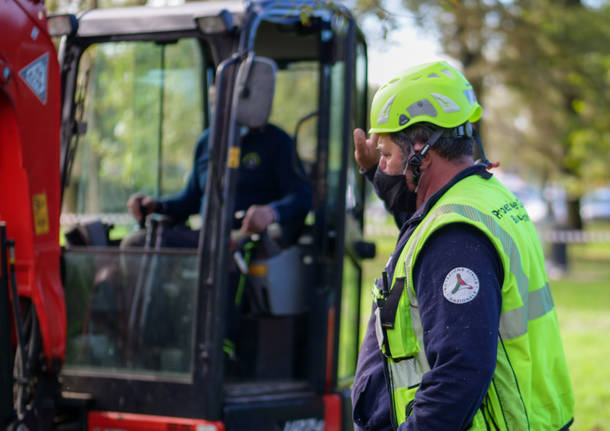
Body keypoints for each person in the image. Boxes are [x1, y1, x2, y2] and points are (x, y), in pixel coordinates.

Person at [351, 61, 574, 430]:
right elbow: (419, 220)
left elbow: (458, 374)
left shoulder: (454, 238)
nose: (384, 167)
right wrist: (380, 171)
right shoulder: (483, 196)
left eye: (387, 154)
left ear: (421, 148)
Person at [125, 123, 312, 248]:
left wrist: (270, 212)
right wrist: (157, 205)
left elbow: (302, 197)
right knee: (138, 243)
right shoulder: (207, 141)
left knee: (227, 253)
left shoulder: (278, 142)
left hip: (246, 238)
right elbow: (191, 200)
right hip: (207, 237)